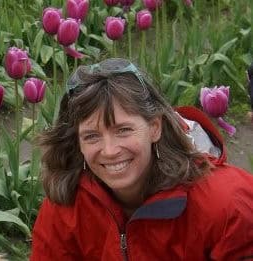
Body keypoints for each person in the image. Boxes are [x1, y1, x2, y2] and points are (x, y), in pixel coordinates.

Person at [31, 58, 253, 260]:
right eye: (91, 136)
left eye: (123, 130)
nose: (109, 150)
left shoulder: (227, 206)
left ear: (154, 127)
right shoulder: (66, 206)